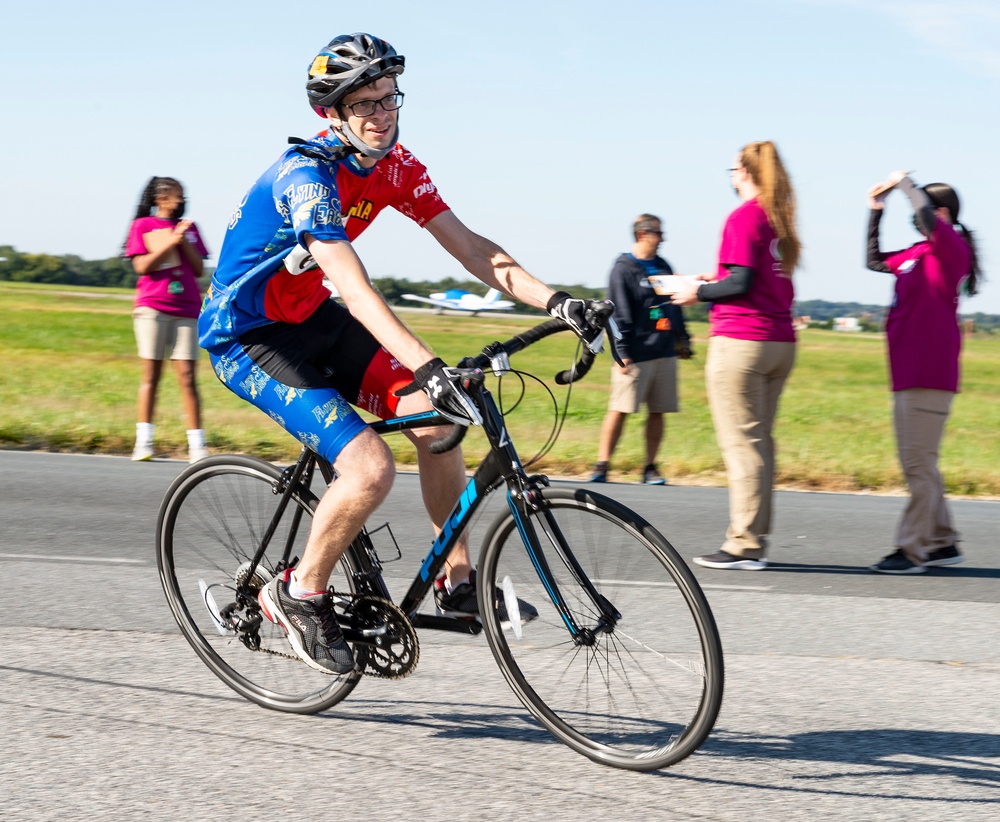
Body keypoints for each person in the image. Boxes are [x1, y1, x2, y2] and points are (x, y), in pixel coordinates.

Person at [198, 33, 608, 674]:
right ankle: (297, 591)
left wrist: (557, 302)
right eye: (365, 103)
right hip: (249, 337)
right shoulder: (307, 177)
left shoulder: (396, 166)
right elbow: (354, 286)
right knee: (368, 469)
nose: (383, 113)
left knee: (441, 425)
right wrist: (426, 364)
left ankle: (457, 575)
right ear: (330, 114)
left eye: (390, 98)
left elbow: (472, 248)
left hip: (311, 317)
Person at [673, 141, 800, 571]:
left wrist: (697, 291)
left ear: (745, 172)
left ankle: (744, 545)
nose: (730, 177)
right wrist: (717, 278)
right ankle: (755, 538)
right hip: (779, 339)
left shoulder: (744, 215)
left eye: (732, 169)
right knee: (760, 443)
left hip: (743, 341)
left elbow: (741, 282)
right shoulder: (778, 217)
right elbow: (751, 276)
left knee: (742, 445)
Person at [865, 172, 982, 574]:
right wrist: (876, 211)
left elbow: (929, 219)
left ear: (943, 213)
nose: (916, 219)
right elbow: (875, 260)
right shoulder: (917, 253)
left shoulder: (951, 248)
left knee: (916, 464)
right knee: (922, 463)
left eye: (923, 212)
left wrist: (907, 186)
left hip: (929, 372)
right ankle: (944, 543)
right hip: (908, 371)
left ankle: (911, 549)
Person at [590, 214, 691, 485]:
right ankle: (602, 466)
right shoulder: (623, 268)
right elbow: (617, 313)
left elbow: (674, 303)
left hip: (664, 351)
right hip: (634, 354)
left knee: (658, 410)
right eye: (658, 233)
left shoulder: (663, 265)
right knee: (620, 408)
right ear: (642, 234)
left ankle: (650, 467)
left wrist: (683, 338)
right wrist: (620, 352)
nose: (662, 239)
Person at [124, 176, 210, 463]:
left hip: (186, 309)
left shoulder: (191, 229)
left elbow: (198, 269)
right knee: (152, 375)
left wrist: (183, 241)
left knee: (187, 378)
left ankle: (197, 446)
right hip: (153, 308)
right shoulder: (143, 226)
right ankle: (144, 442)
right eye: (177, 196)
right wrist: (168, 243)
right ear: (161, 199)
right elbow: (142, 266)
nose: (182, 200)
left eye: (183, 196)